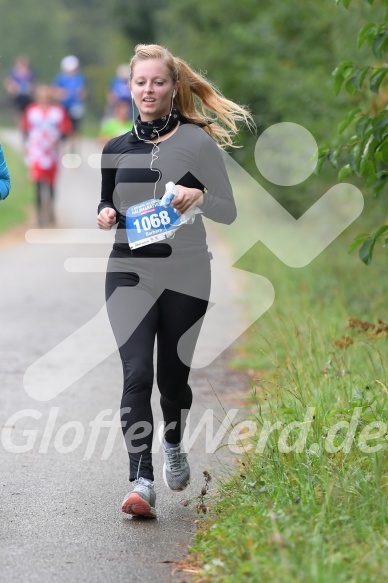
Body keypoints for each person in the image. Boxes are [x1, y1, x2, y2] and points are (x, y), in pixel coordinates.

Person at [97, 44, 253, 519]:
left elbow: (227, 209)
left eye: (158, 82)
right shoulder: (114, 148)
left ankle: (173, 441)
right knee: (137, 374)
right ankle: (141, 481)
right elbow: (108, 204)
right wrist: (105, 214)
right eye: (140, 82)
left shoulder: (198, 143)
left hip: (186, 274)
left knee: (172, 383)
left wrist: (198, 195)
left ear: (173, 87)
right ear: (130, 88)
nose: (149, 90)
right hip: (129, 272)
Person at [21, 84, 73, 226]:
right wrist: (25, 146)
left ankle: (50, 211)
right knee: (38, 183)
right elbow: (25, 129)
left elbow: (66, 130)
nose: (44, 97)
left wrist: (59, 142)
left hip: (52, 153)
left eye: (47, 94)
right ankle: (39, 216)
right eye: (41, 94)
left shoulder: (58, 111)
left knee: (51, 184)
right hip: (36, 152)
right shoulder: (31, 110)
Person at [53, 55, 87, 150]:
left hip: (76, 106)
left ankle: (73, 148)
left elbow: (83, 92)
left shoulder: (79, 78)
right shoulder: (60, 78)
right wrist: (62, 94)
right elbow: (55, 92)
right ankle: (61, 146)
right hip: (63, 106)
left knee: (75, 128)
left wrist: (81, 94)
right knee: (62, 128)